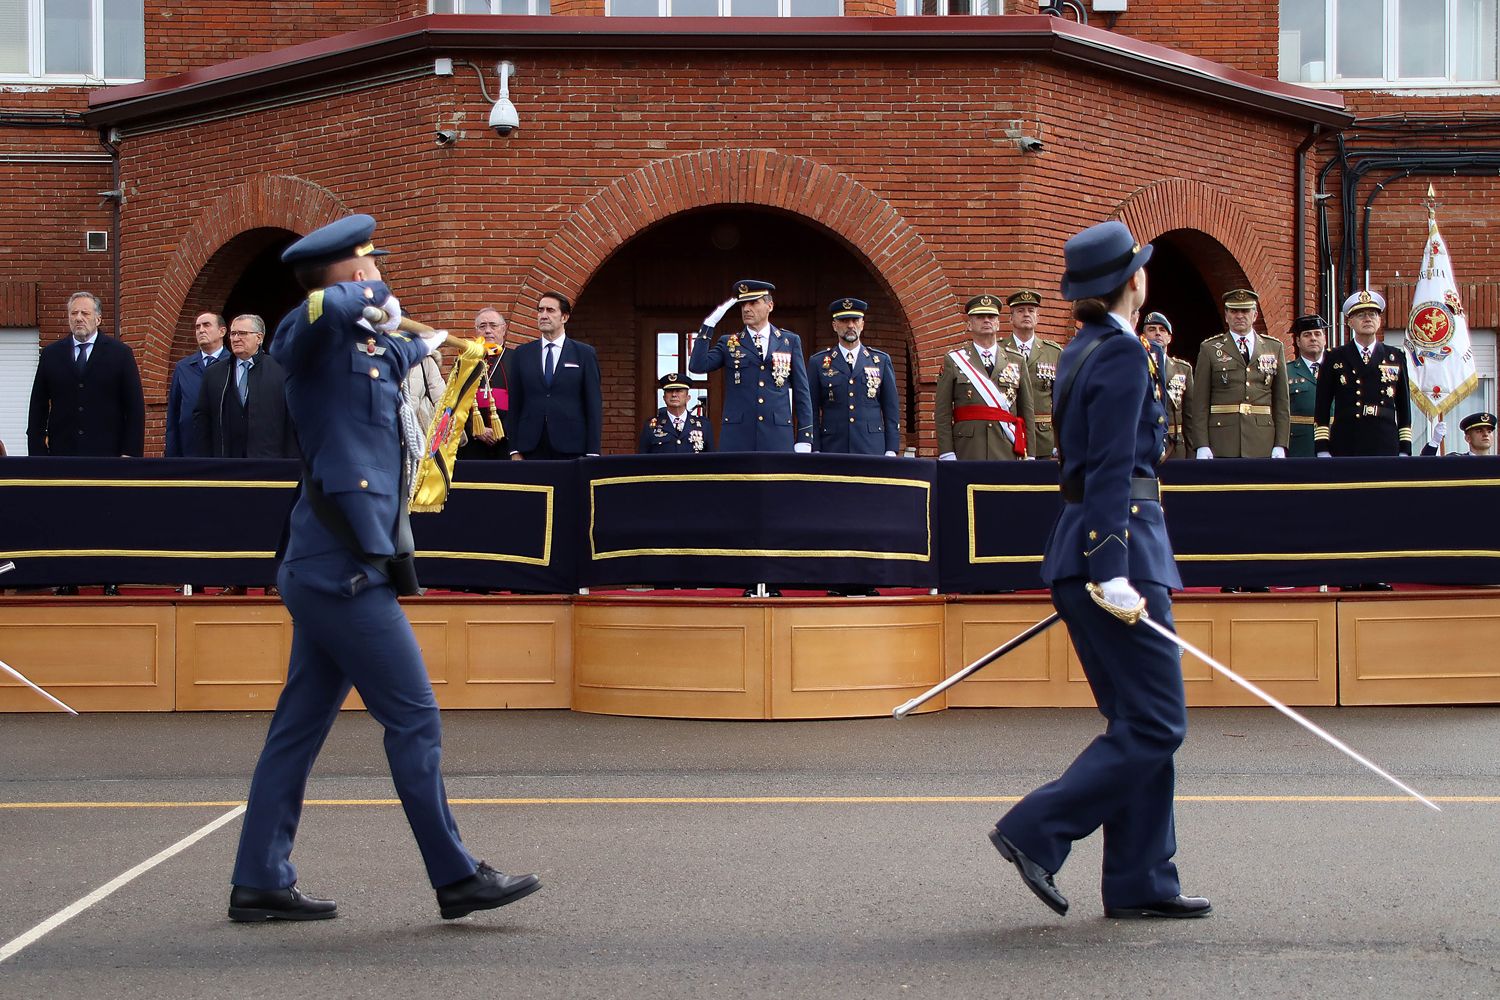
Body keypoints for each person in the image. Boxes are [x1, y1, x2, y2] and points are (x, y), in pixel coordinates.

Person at [228, 214, 540, 924]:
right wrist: (362, 300)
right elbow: (306, 320)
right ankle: (456, 875)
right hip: (341, 566)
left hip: (334, 562)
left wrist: (435, 343)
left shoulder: (364, 348)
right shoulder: (308, 336)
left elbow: (396, 362)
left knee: (297, 729)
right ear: (339, 276)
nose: (377, 276)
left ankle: (259, 879)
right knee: (415, 719)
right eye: (364, 268)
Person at [989, 219, 1208, 922]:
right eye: (1142, 266)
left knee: (1136, 721)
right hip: (1118, 554)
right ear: (1132, 282)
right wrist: (1113, 568)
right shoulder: (1116, 354)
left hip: (1087, 548)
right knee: (1158, 724)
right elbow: (1113, 466)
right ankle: (1037, 829)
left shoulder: (1085, 349)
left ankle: (1143, 879)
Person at [689, 279, 814, 453]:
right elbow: (697, 365)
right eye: (743, 304)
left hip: (777, 435)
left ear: (770, 305)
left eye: (753, 303)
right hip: (737, 436)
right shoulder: (729, 343)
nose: (747, 309)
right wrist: (708, 325)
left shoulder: (789, 341)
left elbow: (802, 392)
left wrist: (804, 437)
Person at [26, 291, 145, 457]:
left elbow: (134, 408)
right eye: (74, 313)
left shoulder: (120, 354)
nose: (78, 318)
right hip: (62, 454)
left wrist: (130, 453)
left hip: (108, 454)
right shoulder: (51, 354)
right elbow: (38, 407)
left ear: (98, 319)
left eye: (85, 313)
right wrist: (38, 453)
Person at [1188, 289, 1289, 459]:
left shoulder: (1274, 348)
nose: (1240, 316)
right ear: (1226, 315)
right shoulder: (1210, 349)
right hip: (1222, 440)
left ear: (1255, 314)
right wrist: (1201, 444)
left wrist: (1280, 443)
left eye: (1245, 311)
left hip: (1262, 439)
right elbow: (1200, 403)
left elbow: (1281, 402)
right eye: (1234, 311)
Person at [1314, 290, 1413, 457]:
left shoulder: (1395, 357)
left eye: (1372, 314)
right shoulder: (1334, 357)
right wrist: (1322, 447)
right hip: (1346, 441)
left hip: (1385, 441)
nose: (1367, 319)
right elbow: (1322, 406)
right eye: (1361, 315)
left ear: (1380, 320)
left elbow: (1404, 408)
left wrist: (1405, 448)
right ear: (1350, 322)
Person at [934, 294, 1034, 460]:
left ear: (998, 323)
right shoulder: (954, 360)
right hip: (967, 447)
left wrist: (1030, 453)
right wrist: (946, 452)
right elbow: (942, 412)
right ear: (969, 324)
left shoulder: (1016, 360)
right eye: (980, 317)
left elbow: (1027, 410)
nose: (986, 320)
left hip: (1006, 446)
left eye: (991, 316)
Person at [505, 292, 602, 460]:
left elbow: (593, 404)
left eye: (550, 310)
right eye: (540, 310)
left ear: (564, 317)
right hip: (530, 447)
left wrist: (592, 451)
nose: (543, 315)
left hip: (572, 446)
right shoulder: (522, 354)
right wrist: (514, 449)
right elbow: (515, 404)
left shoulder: (584, 353)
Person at [193, 314, 298, 459]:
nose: (236, 339)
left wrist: (290, 463)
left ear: (259, 338)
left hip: (269, 462)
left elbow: (292, 420)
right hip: (225, 462)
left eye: (242, 333)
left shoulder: (281, 370)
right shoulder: (214, 373)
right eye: (233, 334)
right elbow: (202, 419)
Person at [808, 297, 899, 455]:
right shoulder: (818, 362)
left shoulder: (880, 361)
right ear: (834, 325)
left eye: (855, 320)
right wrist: (814, 446)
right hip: (832, 447)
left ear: (862, 324)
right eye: (844, 320)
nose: (850, 325)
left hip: (871, 447)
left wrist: (891, 448)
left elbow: (891, 408)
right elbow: (812, 410)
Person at [1005, 289, 1063, 459]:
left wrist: (1058, 442)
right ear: (1011, 317)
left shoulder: (1053, 352)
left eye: (1031, 311)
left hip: (1043, 438)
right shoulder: (999, 351)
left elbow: (1060, 402)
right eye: (1020, 311)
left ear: (1038, 317)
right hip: (1007, 435)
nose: (1026, 315)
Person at [165, 312, 229, 457]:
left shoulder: (233, 364)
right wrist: (171, 454)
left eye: (206, 325)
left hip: (223, 450)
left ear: (222, 331)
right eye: (197, 327)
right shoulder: (183, 367)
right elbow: (174, 413)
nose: (201, 330)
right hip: (190, 447)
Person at [455, 308, 510, 462]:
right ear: (476, 330)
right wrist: (475, 428)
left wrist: (502, 430)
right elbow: (455, 402)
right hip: (473, 444)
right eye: (482, 326)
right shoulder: (465, 362)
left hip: (507, 442)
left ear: (504, 329)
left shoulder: (516, 358)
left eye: (493, 325)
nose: (488, 331)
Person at [1141, 311, 1195, 459]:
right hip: (1144, 443)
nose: (1157, 334)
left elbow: (1190, 417)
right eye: (1152, 329)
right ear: (1143, 336)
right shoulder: (1135, 365)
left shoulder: (1183, 369)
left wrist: (1192, 454)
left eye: (1162, 330)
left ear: (1169, 338)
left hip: (1175, 445)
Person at [638, 372, 713, 454]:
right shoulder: (651, 426)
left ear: (688, 397)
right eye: (669, 391)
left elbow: (711, 460)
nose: (674, 395)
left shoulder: (704, 425)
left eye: (679, 391)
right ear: (664, 397)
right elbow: (643, 460)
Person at [1286, 314, 1328, 458]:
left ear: (1324, 339)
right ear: (1298, 341)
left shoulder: (1337, 369)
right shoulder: (1286, 372)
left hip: (1333, 443)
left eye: (1317, 334)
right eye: (1307, 335)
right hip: (1299, 445)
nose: (1313, 338)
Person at [1423, 411, 1496, 456]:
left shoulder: (1496, 463)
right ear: (1468, 438)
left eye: (1489, 431)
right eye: (1479, 431)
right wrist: (1434, 442)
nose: (1486, 434)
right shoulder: (1456, 461)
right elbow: (1423, 468)